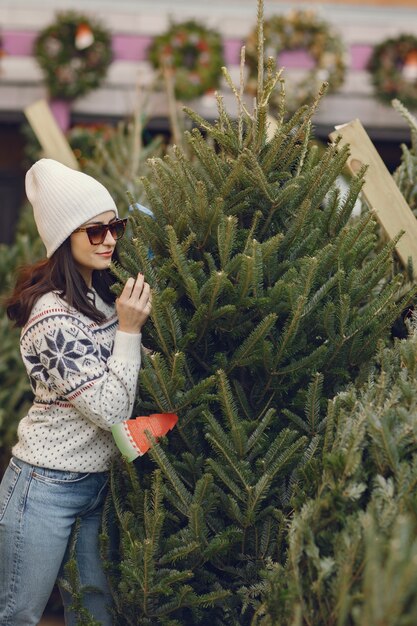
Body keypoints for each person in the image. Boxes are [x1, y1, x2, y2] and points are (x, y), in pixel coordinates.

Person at [0, 158, 151, 626]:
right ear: (65, 238)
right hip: (45, 486)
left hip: (100, 485)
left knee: (95, 616)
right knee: (19, 614)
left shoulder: (104, 299)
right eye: (95, 232)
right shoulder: (50, 318)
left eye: (115, 227)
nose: (110, 240)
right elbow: (109, 409)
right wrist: (129, 331)